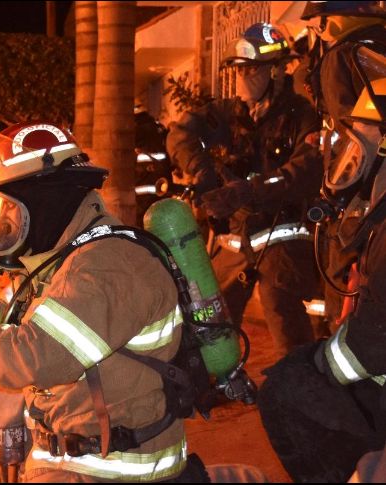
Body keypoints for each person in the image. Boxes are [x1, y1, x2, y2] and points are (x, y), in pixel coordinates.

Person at [0, 122, 209, 482]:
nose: (6, 225)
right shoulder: (70, 256)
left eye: (13, 211)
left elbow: (37, 356)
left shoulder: (107, 264)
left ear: (45, 203)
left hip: (112, 472)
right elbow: (38, 322)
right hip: (79, 455)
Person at [257, 11, 386, 484]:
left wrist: (315, 367)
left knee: (288, 389)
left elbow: (369, 347)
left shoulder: (345, 56)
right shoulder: (369, 52)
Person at [166, 22, 324, 359]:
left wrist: (249, 191)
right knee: (214, 323)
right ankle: (219, 382)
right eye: (238, 71)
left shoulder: (302, 116)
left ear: (278, 71)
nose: (242, 79)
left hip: (281, 241)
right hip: (236, 240)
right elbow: (181, 133)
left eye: (250, 70)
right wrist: (203, 173)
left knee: (288, 330)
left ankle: (295, 401)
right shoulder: (229, 114)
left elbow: (306, 171)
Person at [301, 1, 386, 334]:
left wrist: (335, 195)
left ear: (328, 22)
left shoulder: (341, 56)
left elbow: (356, 141)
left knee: (348, 303)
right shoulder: (377, 48)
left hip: (363, 201)